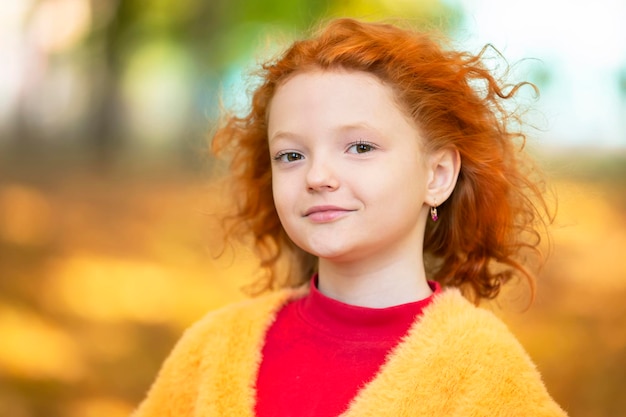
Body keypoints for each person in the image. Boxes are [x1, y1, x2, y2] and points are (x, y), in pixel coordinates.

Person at [131, 18, 568, 416]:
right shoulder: (213, 347)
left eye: (360, 147)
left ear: (437, 175)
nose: (317, 176)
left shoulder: (488, 374)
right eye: (291, 155)